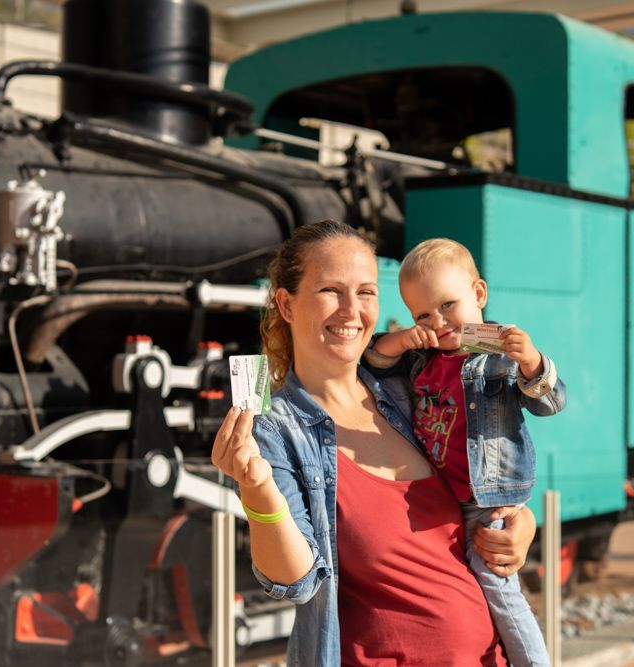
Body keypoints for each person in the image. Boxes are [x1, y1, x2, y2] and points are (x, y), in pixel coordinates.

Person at [211, 220, 537, 666]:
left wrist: (520, 522)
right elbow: (297, 580)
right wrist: (257, 491)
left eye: (365, 292)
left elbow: (476, 470)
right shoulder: (273, 429)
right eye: (330, 290)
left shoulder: (412, 389)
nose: (351, 310)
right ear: (286, 304)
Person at [362, 238, 566, 667]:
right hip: (443, 495)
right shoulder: (422, 357)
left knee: (496, 582)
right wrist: (404, 337)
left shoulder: (493, 349)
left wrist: (531, 363)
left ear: (479, 294)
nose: (438, 321)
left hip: (485, 493)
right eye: (423, 314)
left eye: (448, 305)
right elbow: (373, 361)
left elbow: (549, 403)